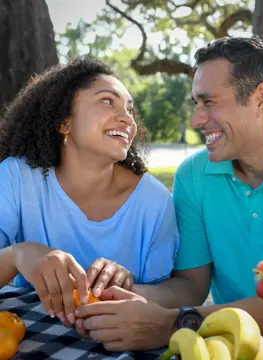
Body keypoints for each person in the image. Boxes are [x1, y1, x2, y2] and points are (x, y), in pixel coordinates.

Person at [74, 35, 263, 351]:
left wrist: (174, 323)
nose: (196, 119)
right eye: (196, 104)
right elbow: (191, 286)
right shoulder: (194, 175)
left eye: (209, 102)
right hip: (229, 341)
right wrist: (125, 294)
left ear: (260, 98)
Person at [0, 57, 179, 329]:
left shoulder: (154, 202)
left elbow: (178, 292)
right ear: (64, 121)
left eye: (130, 109)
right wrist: (18, 255)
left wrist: (132, 288)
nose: (127, 119)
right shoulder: (16, 179)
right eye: (108, 101)